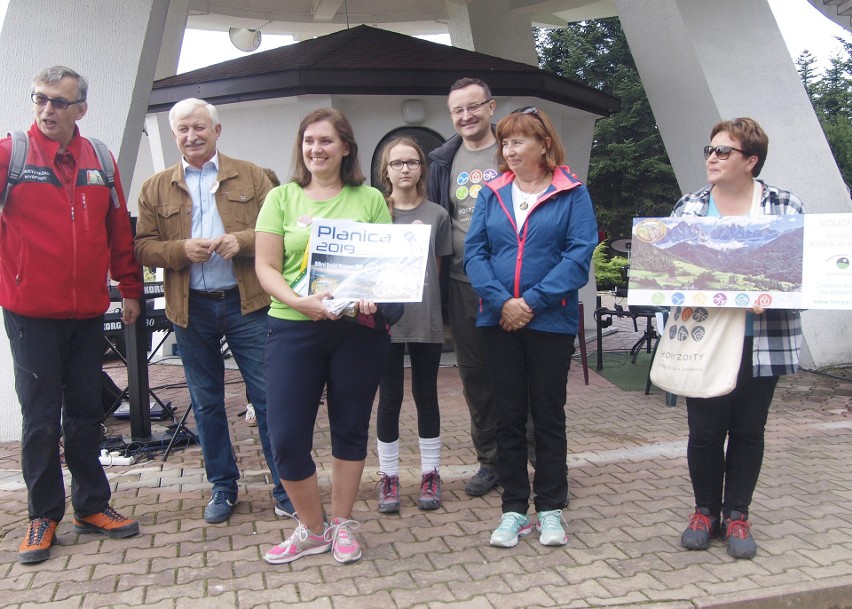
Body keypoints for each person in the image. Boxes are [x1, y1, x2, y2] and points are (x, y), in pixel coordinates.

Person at [0, 66, 142, 564]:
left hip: (86, 313)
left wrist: (129, 289)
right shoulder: (10, 154)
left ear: (81, 108)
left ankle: (92, 506)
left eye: (60, 102)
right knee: (40, 419)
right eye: (40, 99)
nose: (48, 110)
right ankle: (43, 516)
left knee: (85, 413)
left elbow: (118, 231)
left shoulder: (100, 158)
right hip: (31, 315)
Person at [134, 98, 293, 524]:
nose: (192, 136)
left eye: (200, 128)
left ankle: (286, 488)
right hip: (191, 309)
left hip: (249, 305)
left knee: (268, 397)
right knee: (206, 403)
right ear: (174, 135)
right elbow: (142, 246)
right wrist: (179, 251)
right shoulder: (154, 187)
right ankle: (223, 487)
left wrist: (240, 241)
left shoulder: (254, 176)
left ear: (217, 130)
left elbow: (279, 230)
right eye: (183, 129)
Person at [255, 108, 391, 565]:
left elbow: (383, 265)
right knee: (287, 438)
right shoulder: (281, 198)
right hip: (293, 327)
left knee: (350, 429)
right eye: (309, 140)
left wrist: (372, 294)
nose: (316, 149)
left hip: (356, 331)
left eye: (327, 141)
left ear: (346, 147)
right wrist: (299, 302)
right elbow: (265, 268)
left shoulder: (369, 198)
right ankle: (313, 529)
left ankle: (344, 522)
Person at [464, 106, 597, 548]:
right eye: (504, 142)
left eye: (518, 140)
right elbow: (475, 253)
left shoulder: (571, 191)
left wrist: (532, 302)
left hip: (549, 321)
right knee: (507, 416)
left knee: (548, 416)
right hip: (497, 320)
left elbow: (579, 255)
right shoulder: (492, 191)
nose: (509, 149)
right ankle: (515, 509)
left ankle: (551, 508)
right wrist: (503, 302)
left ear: (544, 144)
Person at [675, 117, 804, 560]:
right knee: (705, 432)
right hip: (705, 340)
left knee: (748, 430)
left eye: (723, 151)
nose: (712, 157)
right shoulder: (689, 207)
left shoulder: (785, 206)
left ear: (750, 160)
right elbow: (668, 276)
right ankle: (705, 512)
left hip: (761, 338)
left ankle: (737, 515)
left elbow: (804, 276)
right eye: (709, 150)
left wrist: (775, 294)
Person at [426, 77, 502, 496]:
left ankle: (531, 458)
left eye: (473, 107)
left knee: (520, 373)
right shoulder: (442, 160)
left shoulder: (513, 146)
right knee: (475, 377)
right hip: (461, 282)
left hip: (512, 285)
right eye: (458, 110)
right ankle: (490, 461)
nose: (466, 116)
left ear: (491, 107)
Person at [375, 137, 452, 513]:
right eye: (396, 163)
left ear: (422, 168)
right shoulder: (375, 212)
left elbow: (436, 271)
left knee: (427, 396)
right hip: (385, 323)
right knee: (389, 399)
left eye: (411, 162)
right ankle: (388, 478)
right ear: (385, 171)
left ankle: (430, 473)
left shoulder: (437, 214)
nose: (404, 169)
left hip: (425, 318)